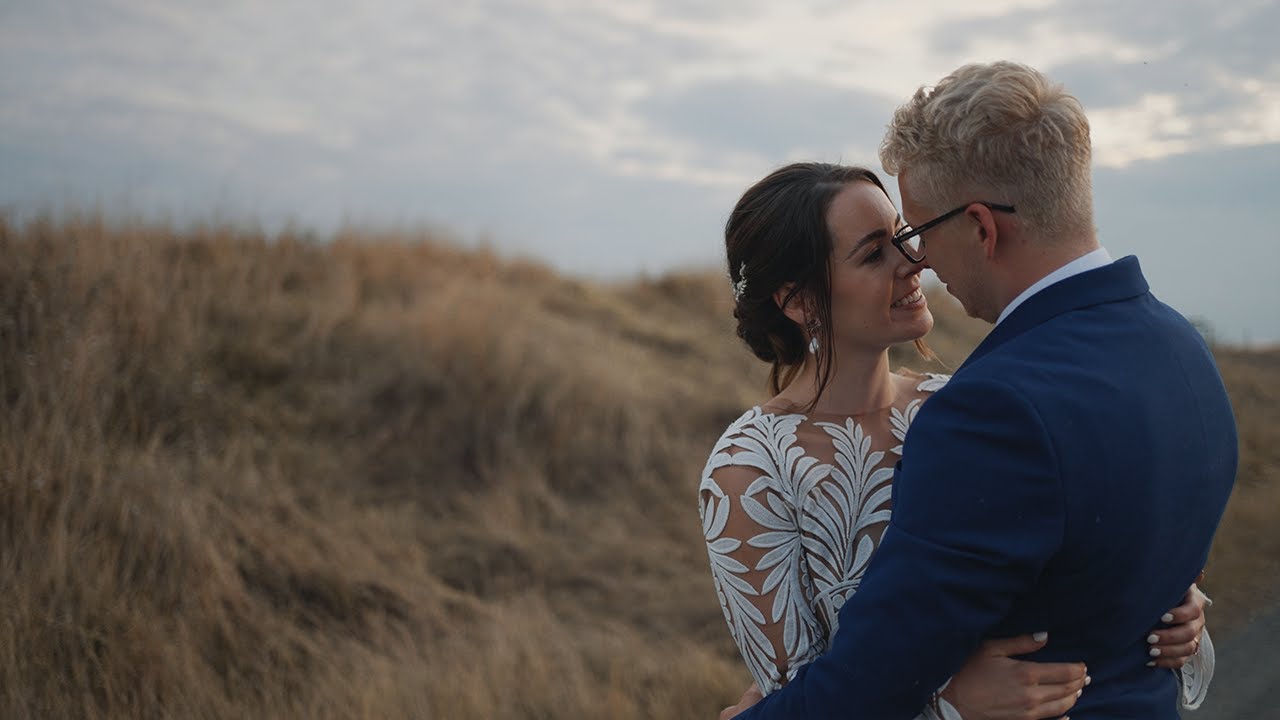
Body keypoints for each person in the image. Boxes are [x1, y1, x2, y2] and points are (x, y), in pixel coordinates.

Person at [709, 62, 1236, 720]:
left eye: (914, 233)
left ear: (982, 228)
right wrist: (949, 700)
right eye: (880, 251)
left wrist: (1179, 607)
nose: (916, 262)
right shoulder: (1181, 348)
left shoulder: (974, 410)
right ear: (799, 302)